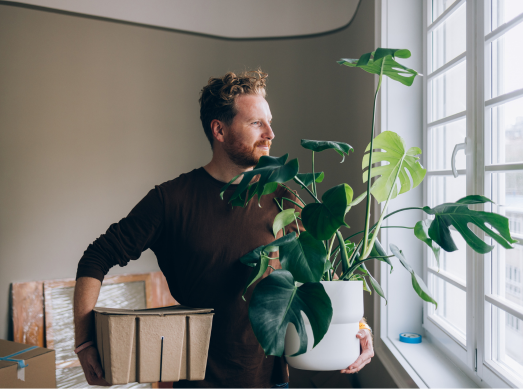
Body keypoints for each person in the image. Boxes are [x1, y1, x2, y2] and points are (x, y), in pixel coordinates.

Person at [73, 70, 374, 388]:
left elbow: (322, 274)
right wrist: (84, 342)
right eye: (256, 123)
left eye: (269, 122)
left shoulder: (284, 199)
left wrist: (359, 326)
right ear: (219, 129)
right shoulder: (171, 200)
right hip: (195, 382)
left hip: (270, 381)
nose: (270, 134)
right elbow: (96, 257)